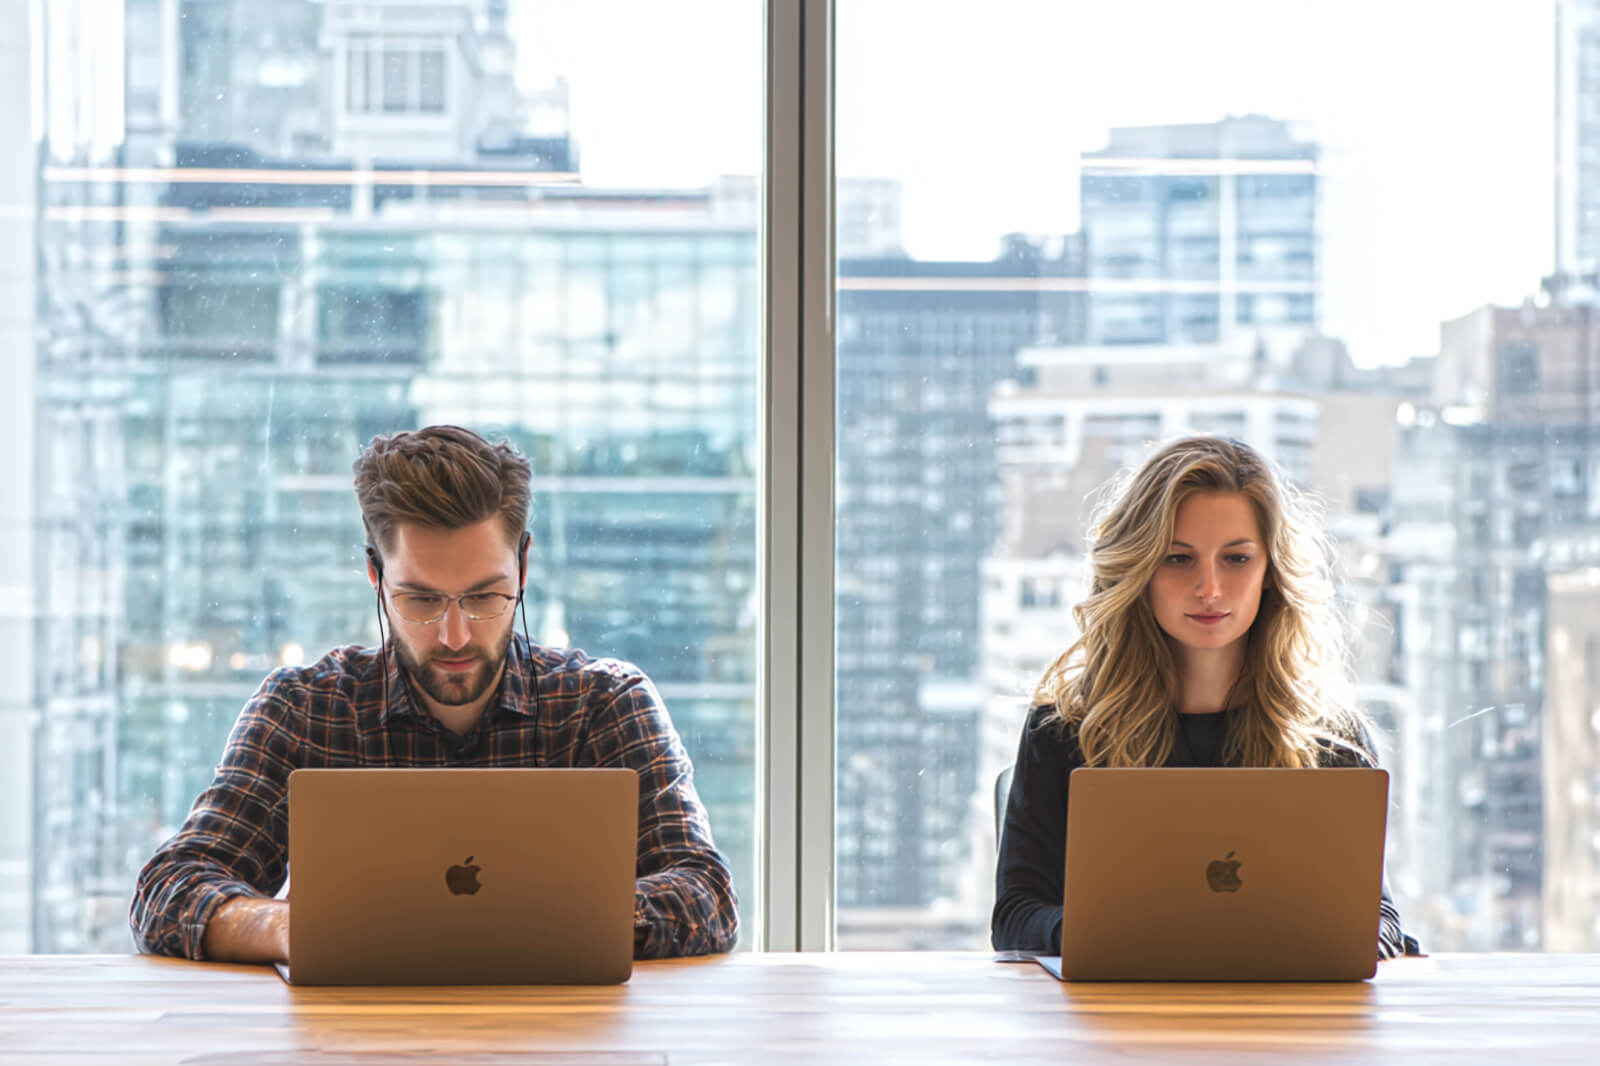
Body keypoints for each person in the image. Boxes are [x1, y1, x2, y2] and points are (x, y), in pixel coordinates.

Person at [132, 425, 739, 963]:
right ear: (376, 575)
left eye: (484, 596)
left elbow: (705, 895)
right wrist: (293, 927)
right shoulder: (304, 709)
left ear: (523, 570)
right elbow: (170, 889)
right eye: (421, 599)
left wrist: (523, 919)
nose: (455, 635)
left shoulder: (605, 704)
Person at [992, 435, 1419, 959]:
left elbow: (1379, 915)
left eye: (1236, 559)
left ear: (1269, 573)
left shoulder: (1327, 735)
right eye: (1178, 559)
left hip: (1287, 1024)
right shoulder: (1063, 729)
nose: (1210, 588)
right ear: (1140, 569)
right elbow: (1015, 917)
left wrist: (1354, 942)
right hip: (1115, 1024)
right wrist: (1117, 938)